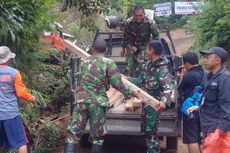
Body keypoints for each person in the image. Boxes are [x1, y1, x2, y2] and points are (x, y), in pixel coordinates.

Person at [64, 39, 140, 153]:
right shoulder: (109, 63)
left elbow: (78, 81)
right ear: (106, 50)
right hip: (97, 104)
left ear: (92, 49)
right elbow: (117, 84)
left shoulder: (84, 62)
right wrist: (132, 93)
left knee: (72, 133)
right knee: (97, 137)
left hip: (81, 102)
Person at [128, 40, 172, 153]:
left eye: (147, 49)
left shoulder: (162, 68)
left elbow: (167, 88)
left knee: (151, 133)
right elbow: (139, 81)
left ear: (151, 50)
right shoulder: (148, 65)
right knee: (146, 132)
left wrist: (163, 102)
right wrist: (125, 79)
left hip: (154, 106)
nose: (146, 52)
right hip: (146, 105)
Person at [0, 46, 36, 153]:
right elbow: (21, 93)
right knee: (21, 143)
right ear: (9, 59)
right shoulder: (14, 73)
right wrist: (32, 98)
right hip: (10, 114)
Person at [198, 47, 230, 153]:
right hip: (207, 126)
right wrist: (198, 107)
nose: (205, 60)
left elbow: (226, 104)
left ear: (218, 60)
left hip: (217, 129)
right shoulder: (209, 76)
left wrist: (221, 130)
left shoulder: (224, 78)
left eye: (208, 57)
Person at [177, 52, 204, 153]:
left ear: (187, 64)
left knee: (192, 139)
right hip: (203, 108)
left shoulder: (188, 76)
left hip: (190, 110)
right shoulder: (206, 73)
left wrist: (181, 77)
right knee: (201, 138)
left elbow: (179, 89)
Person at [121, 6, 159, 77]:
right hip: (132, 46)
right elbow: (125, 36)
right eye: (136, 16)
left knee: (142, 66)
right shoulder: (129, 22)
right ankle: (127, 84)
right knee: (128, 67)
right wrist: (123, 48)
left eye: (140, 15)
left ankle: (143, 84)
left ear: (144, 14)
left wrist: (154, 51)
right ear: (133, 14)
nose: (138, 17)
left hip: (144, 46)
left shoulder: (150, 23)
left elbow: (156, 38)